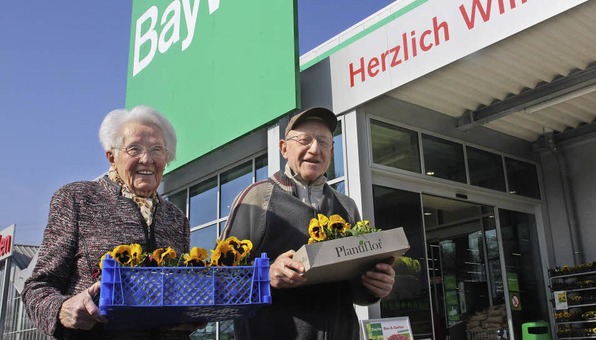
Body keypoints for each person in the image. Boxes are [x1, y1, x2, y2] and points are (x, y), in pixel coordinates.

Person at [22, 106, 199, 339]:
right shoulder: (78, 198)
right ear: (112, 157)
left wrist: (191, 313)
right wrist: (61, 309)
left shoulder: (177, 219)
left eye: (157, 150)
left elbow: (181, 292)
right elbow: (38, 287)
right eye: (134, 148)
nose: (146, 159)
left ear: (166, 159)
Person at [220, 107, 396, 339]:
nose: (315, 149)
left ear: (331, 152)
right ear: (284, 148)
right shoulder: (257, 198)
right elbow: (220, 278)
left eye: (323, 142)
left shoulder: (347, 207)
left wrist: (373, 287)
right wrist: (266, 275)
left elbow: (354, 289)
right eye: (304, 140)